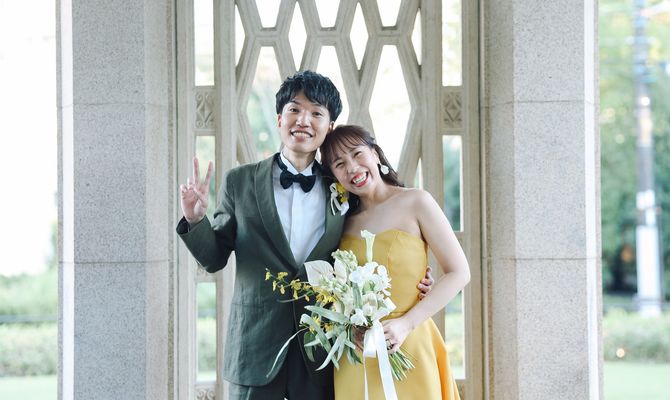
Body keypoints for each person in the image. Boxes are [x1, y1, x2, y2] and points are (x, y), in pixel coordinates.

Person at [176, 71, 433, 400]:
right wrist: (195, 219)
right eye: (294, 110)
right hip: (254, 350)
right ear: (279, 119)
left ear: (329, 127)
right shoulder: (239, 182)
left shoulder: (343, 186)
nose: (303, 121)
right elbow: (213, 259)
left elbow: (374, 242)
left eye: (316, 113)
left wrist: (416, 278)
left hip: (322, 351)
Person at [320, 124, 470, 400]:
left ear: (375, 154)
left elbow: (459, 272)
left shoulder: (416, 201)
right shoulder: (340, 223)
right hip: (357, 354)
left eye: (357, 154)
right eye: (339, 164)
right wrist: (350, 325)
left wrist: (406, 324)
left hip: (411, 344)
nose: (352, 168)